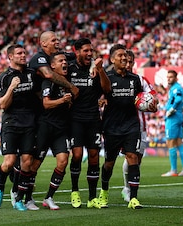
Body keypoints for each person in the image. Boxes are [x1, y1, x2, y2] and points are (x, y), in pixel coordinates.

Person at [98, 44, 149, 209]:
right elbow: (102, 92)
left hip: (131, 125)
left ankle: (133, 198)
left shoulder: (135, 79)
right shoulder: (106, 76)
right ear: (112, 59)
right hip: (111, 126)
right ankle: (104, 193)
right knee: (109, 163)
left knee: (133, 158)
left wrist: (151, 104)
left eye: (126, 56)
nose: (124, 58)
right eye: (120, 55)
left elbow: (145, 98)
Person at [0, 44, 38, 211]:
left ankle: (17, 197)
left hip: (29, 124)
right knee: (9, 162)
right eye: (19, 53)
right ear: (10, 56)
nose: (23, 55)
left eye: (24, 52)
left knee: (26, 163)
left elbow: (39, 94)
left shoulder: (32, 74)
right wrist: (12, 87)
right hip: (11, 123)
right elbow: (3, 105)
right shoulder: (4, 77)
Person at [67, 38, 111, 209]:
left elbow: (106, 90)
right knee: (77, 155)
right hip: (75, 119)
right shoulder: (69, 69)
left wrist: (100, 70)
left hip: (93, 119)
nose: (89, 54)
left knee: (93, 158)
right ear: (77, 51)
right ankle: (75, 191)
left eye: (91, 51)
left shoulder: (96, 69)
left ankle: (92, 197)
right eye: (85, 50)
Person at [29, 52, 72, 210]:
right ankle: (27, 198)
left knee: (63, 161)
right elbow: (46, 104)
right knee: (34, 165)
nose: (64, 63)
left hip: (61, 129)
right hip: (45, 127)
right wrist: (63, 101)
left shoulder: (68, 82)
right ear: (52, 66)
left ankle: (49, 197)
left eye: (65, 60)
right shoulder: (48, 82)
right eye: (61, 61)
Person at [120, 50, 158, 202]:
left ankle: (128, 188)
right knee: (129, 157)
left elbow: (153, 97)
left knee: (137, 160)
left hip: (139, 126)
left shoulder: (141, 80)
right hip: (119, 125)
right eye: (126, 61)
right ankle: (125, 189)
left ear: (134, 63)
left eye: (130, 62)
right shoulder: (112, 79)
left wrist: (152, 104)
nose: (128, 64)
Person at [161, 70, 183, 177]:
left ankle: (173, 170)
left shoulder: (176, 88)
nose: (169, 79)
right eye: (168, 77)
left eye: (171, 77)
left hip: (173, 118)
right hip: (179, 116)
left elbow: (178, 99)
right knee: (179, 142)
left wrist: (172, 109)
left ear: (176, 78)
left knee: (170, 142)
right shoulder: (178, 88)